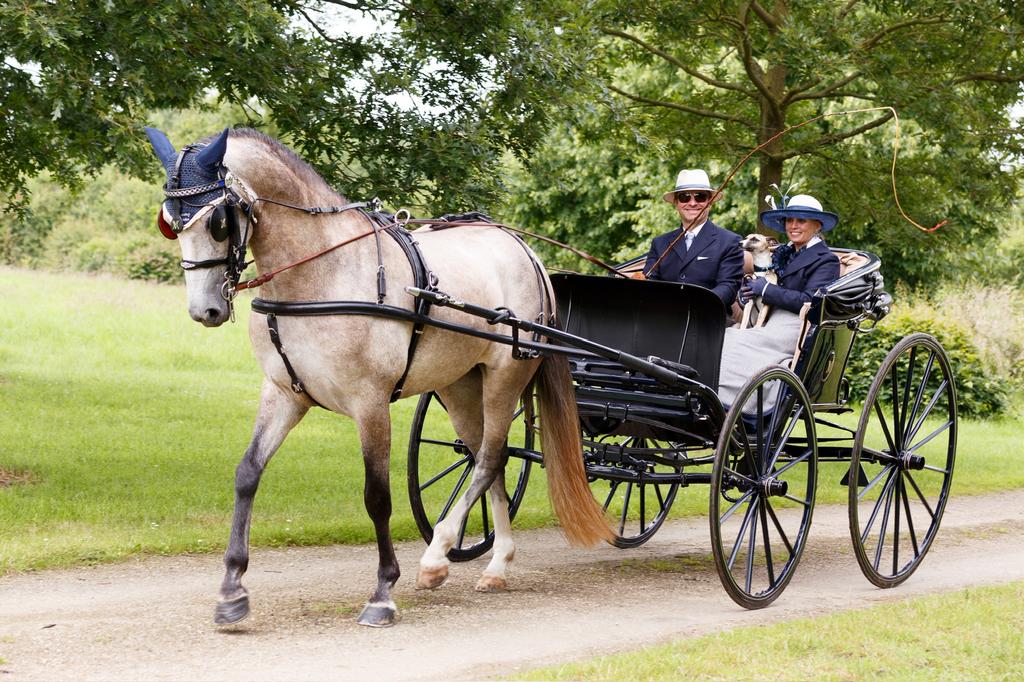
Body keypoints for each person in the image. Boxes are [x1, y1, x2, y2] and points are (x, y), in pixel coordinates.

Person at [717, 194, 841, 408]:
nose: (793, 226)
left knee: (734, 341)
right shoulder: (782, 253)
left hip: (796, 325)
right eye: (789, 220)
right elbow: (763, 287)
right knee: (721, 336)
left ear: (817, 225)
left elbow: (810, 301)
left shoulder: (826, 260)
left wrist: (766, 289)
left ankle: (733, 403)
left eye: (801, 220)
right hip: (766, 320)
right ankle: (717, 397)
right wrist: (747, 294)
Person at [642, 169, 744, 308]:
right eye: (685, 197)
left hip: (708, 319)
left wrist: (696, 307)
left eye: (700, 196)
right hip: (665, 318)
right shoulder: (659, 243)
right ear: (676, 203)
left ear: (710, 201)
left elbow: (728, 287)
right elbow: (648, 283)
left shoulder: (730, 241)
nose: (692, 203)